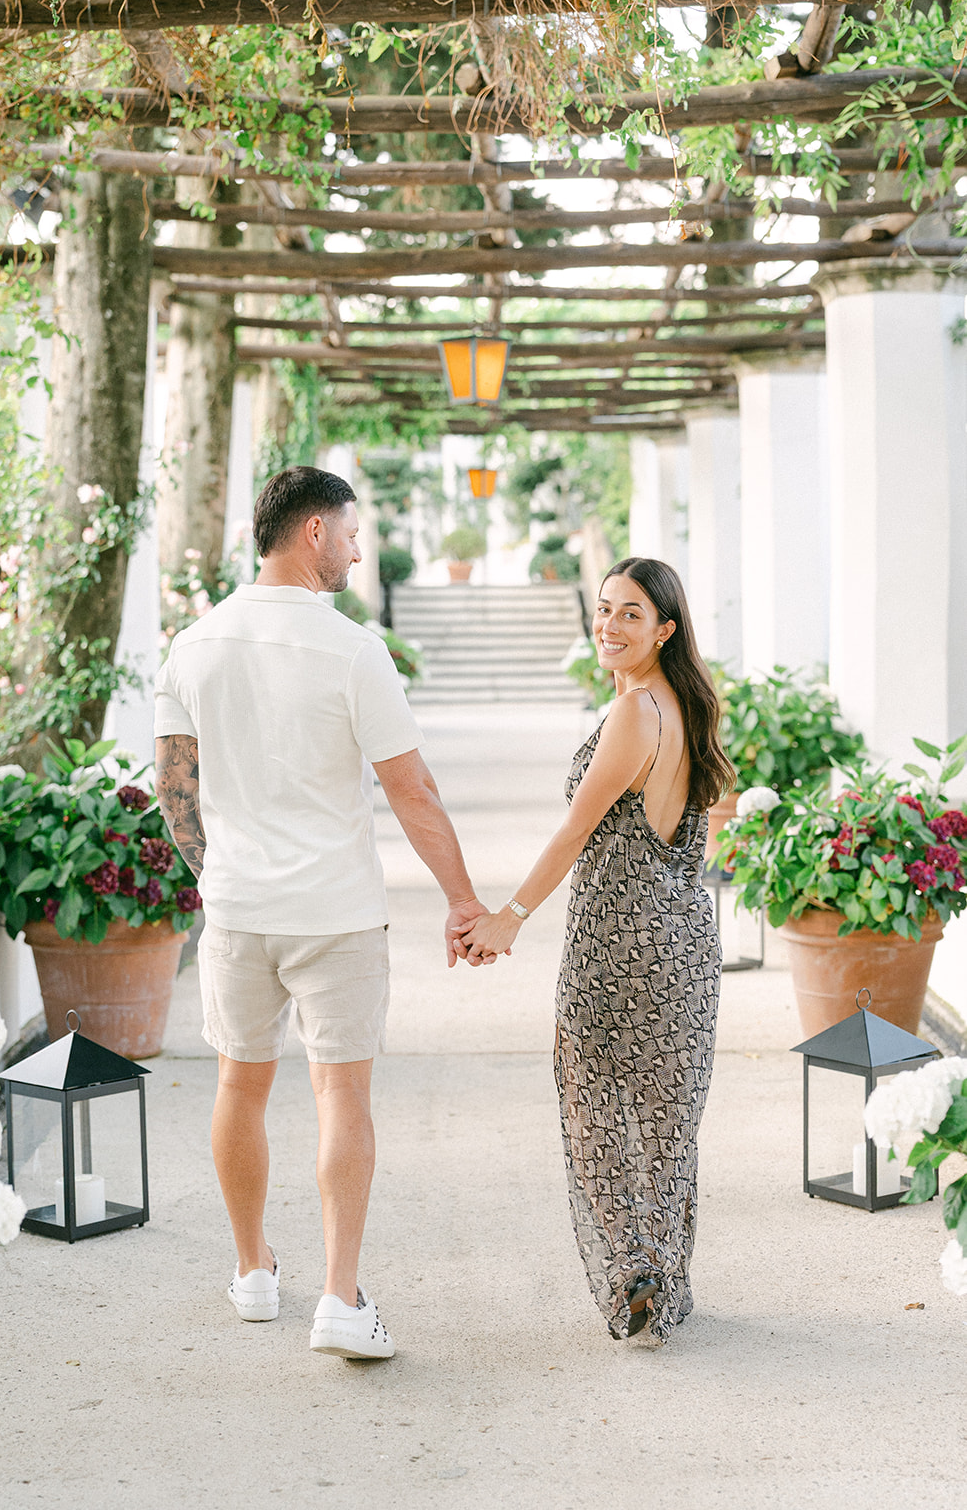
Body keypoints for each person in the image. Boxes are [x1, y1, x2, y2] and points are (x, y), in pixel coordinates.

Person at [153, 467, 490, 1361]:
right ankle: (340, 1297)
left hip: (237, 910)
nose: (354, 547)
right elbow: (410, 788)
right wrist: (462, 899)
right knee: (340, 1090)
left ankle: (253, 1272)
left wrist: (219, 877)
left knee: (240, 1084)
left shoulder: (192, 646)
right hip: (335, 910)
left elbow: (173, 792)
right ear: (310, 534)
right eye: (348, 531)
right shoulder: (349, 649)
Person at [459, 557, 734, 1342]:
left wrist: (508, 915)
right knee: (661, 1119)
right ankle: (657, 1277)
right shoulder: (678, 704)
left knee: (594, 1107)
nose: (609, 626)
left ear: (665, 630)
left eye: (631, 615)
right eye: (605, 609)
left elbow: (575, 830)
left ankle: (633, 1275)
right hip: (680, 942)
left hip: (620, 943)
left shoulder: (635, 712)